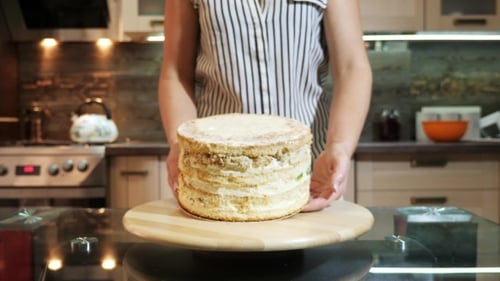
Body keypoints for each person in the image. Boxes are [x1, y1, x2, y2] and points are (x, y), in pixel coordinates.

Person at [158, 0, 372, 212]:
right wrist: (180, 144)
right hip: (219, 179)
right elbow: (176, 73)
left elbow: (352, 67)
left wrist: (340, 146)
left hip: (309, 177)